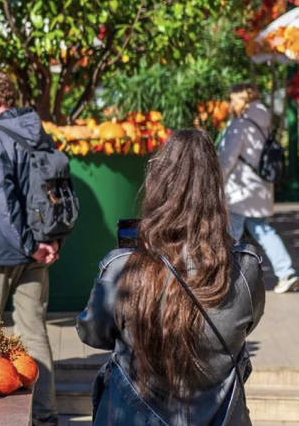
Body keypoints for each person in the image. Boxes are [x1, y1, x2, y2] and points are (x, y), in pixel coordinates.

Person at [78, 129, 265, 425]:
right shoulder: (245, 269)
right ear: (216, 187)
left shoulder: (121, 268)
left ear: (157, 186)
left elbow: (92, 333)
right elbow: (247, 324)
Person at [0, 72, 59, 425]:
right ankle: (45, 415)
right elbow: (57, 189)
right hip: (36, 248)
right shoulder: (37, 130)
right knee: (34, 333)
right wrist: (48, 241)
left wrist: (26, 244)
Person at [218, 82, 297, 294]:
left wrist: (216, 181)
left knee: (231, 232)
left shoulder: (239, 124)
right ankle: (286, 271)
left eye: (232, 99)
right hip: (260, 187)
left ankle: (224, 277)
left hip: (239, 190)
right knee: (263, 230)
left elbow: (226, 158)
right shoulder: (264, 121)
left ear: (239, 100)